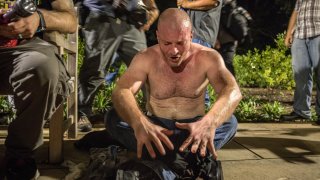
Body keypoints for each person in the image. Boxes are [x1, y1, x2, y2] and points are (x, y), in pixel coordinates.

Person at [106, 8, 242, 178]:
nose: (174, 51)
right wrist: (140, 123)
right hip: (157, 128)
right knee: (114, 117)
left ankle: (166, 164)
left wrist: (209, 122)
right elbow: (122, 90)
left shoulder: (208, 57)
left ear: (191, 36)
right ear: (157, 37)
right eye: (167, 43)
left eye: (180, 43)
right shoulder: (146, 58)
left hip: (193, 129)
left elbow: (233, 91)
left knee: (230, 122)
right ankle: (189, 161)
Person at [0, 0, 77, 179]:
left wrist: (39, 18)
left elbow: (70, 21)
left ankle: (20, 154)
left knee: (44, 68)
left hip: (23, 49)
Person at [77, 0, 159, 132]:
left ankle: (156, 114)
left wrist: (151, 9)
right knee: (95, 68)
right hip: (102, 16)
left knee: (146, 68)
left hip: (131, 21)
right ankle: (82, 113)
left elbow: (152, 7)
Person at [281, 0, 320, 125]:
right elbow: (296, 12)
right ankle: (301, 111)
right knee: (300, 75)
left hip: (318, 34)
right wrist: (288, 34)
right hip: (300, 35)